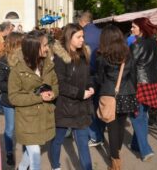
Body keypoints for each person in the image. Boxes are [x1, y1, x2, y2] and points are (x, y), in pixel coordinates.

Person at [8, 31, 58, 170]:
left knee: (34, 149)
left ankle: (22, 168)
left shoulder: (48, 65)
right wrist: (38, 97)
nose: (47, 48)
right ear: (33, 48)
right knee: (35, 155)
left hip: (44, 117)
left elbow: (55, 85)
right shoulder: (18, 70)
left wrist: (52, 93)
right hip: (27, 120)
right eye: (45, 45)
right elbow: (13, 97)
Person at [50, 23, 94, 170]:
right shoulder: (60, 58)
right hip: (64, 107)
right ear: (70, 37)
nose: (82, 39)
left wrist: (91, 86)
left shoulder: (84, 55)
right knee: (57, 139)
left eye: (83, 36)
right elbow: (60, 85)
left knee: (82, 142)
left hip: (81, 107)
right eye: (79, 36)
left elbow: (88, 76)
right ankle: (55, 165)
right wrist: (80, 93)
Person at [96, 25, 138, 170]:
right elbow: (133, 74)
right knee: (120, 126)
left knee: (112, 128)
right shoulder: (128, 52)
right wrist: (134, 91)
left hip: (109, 94)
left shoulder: (102, 56)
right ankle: (116, 153)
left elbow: (100, 78)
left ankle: (115, 162)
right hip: (127, 93)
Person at [129, 17, 157, 162]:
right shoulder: (154, 43)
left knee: (137, 117)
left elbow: (132, 70)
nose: (131, 29)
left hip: (140, 85)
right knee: (142, 115)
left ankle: (146, 150)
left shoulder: (135, 45)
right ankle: (135, 145)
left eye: (133, 27)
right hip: (152, 83)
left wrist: (130, 89)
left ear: (141, 29)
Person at [0, 32, 24, 166]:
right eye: (21, 43)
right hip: (10, 100)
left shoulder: (26, 59)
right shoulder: (3, 61)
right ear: (15, 44)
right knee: (10, 128)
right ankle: (9, 153)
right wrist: (14, 88)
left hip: (24, 100)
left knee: (24, 127)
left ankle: (27, 153)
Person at [78, 11, 104, 147]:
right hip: (101, 74)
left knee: (88, 106)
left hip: (87, 74)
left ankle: (95, 136)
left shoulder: (82, 35)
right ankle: (100, 132)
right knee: (98, 104)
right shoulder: (101, 33)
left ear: (82, 21)